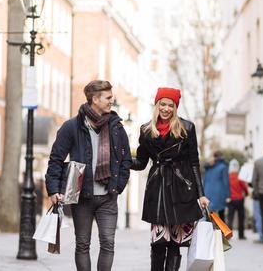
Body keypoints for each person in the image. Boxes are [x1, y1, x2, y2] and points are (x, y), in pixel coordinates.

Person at [45, 80, 132, 271]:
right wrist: (53, 189)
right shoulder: (71, 127)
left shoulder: (117, 127)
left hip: (108, 197)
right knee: (82, 244)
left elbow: (126, 159)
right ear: (95, 99)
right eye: (108, 97)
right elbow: (56, 159)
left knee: (108, 243)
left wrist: (119, 185)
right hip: (82, 196)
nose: (112, 100)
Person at [130, 87, 210, 271]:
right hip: (157, 190)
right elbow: (141, 162)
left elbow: (194, 162)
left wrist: (201, 194)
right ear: (157, 105)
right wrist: (122, 160)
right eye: (163, 104)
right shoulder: (146, 130)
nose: (166, 109)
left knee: (175, 244)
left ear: (175, 107)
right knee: (157, 243)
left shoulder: (187, 128)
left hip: (181, 190)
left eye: (170, 105)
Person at [203, 150, 230, 221]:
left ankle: (209, 232)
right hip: (219, 194)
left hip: (207, 193)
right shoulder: (223, 167)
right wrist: (228, 196)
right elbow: (226, 182)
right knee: (221, 217)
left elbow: (204, 181)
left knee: (209, 217)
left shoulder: (208, 168)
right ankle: (222, 232)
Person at [226, 159, 248, 240]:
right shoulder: (240, 176)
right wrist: (246, 193)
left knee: (230, 217)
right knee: (241, 217)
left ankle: (228, 235)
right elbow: (244, 187)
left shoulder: (228, 177)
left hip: (231, 199)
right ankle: (241, 235)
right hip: (239, 199)